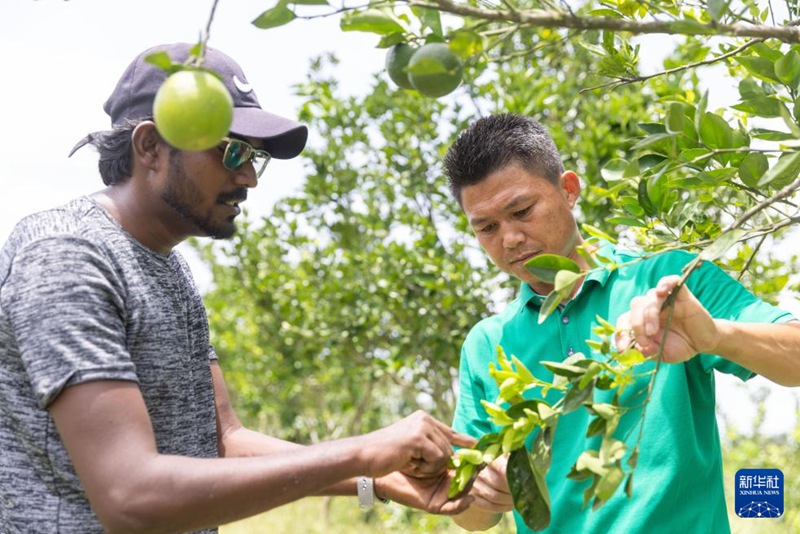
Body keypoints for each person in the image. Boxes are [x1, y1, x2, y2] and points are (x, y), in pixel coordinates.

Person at [0, 43, 477, 534]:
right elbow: (129, 495)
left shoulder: (170, 269)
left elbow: (223, 439)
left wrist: (376, 476)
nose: (249, 177)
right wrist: (362, 450)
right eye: (232, 151)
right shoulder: (66, 256)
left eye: (255, 157)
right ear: (150, 148)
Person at [442, 113, 800, 533]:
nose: (509, 239)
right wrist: (482, 493)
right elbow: (472, 518)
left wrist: (716, 336)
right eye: (486, 228)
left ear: (568, 190)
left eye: (521, 211)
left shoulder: (668, 281)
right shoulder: (487, 344)